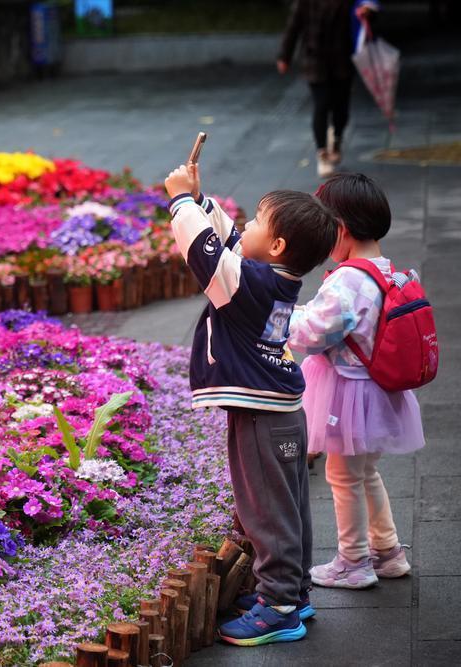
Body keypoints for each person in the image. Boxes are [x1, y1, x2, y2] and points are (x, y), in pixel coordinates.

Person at [164, 163, 339, 646]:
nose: (247, 225)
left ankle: (279, 607)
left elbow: (206, 254)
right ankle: (292, 593)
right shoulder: (270, 278)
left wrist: (180, 202)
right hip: (279, 411)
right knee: (288, 507)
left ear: (277, 246)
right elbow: (229, 244)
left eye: (259, 221)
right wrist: (202, 201)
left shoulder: (250, 284)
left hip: (265, 417)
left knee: (266, 511)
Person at [287, 173, 423, 588]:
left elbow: (313, 335)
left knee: (343, 478)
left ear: (340, 228)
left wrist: (283, 319)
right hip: (376, 392)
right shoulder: (386, 271)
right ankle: (388, 552)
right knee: (365, 474)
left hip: (349, 394)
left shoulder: (348, 279)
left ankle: (353, 561)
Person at [278, 1, 379, 178]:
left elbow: (368, 12)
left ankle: (337, 137)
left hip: (343, 60)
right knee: (321, 105)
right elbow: (293, 26)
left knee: (341, 107)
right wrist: (284, 56)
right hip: (314, 60)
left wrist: (367, 13)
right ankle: (322, 153)